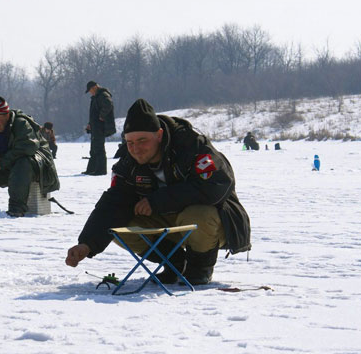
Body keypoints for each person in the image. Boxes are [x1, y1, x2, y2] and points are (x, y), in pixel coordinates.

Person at [66, 99, 251, 285]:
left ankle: (200, 267)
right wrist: (87, 244)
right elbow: (113, 203)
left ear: (159, 135)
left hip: (213, 223)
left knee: (199, 214)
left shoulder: (191, 146)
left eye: (142, 141)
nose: (136, 149)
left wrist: (158, 201)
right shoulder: (127, 162)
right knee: (118, 229)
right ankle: (174, 263)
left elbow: (217, 185)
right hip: (166, 222)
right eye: (130, 143)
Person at [82, 81, 116, 175]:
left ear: (95, 87)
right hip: (95, 125)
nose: (90, 92)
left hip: (100, 126)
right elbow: (94, 113)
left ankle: (101, 170)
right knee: (93, 149)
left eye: (90, 90)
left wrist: (102, 116)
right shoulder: (96, 96)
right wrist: (90, 124)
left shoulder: (103, 95)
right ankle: (91, 169)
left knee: (99, 148)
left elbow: (108, 105)